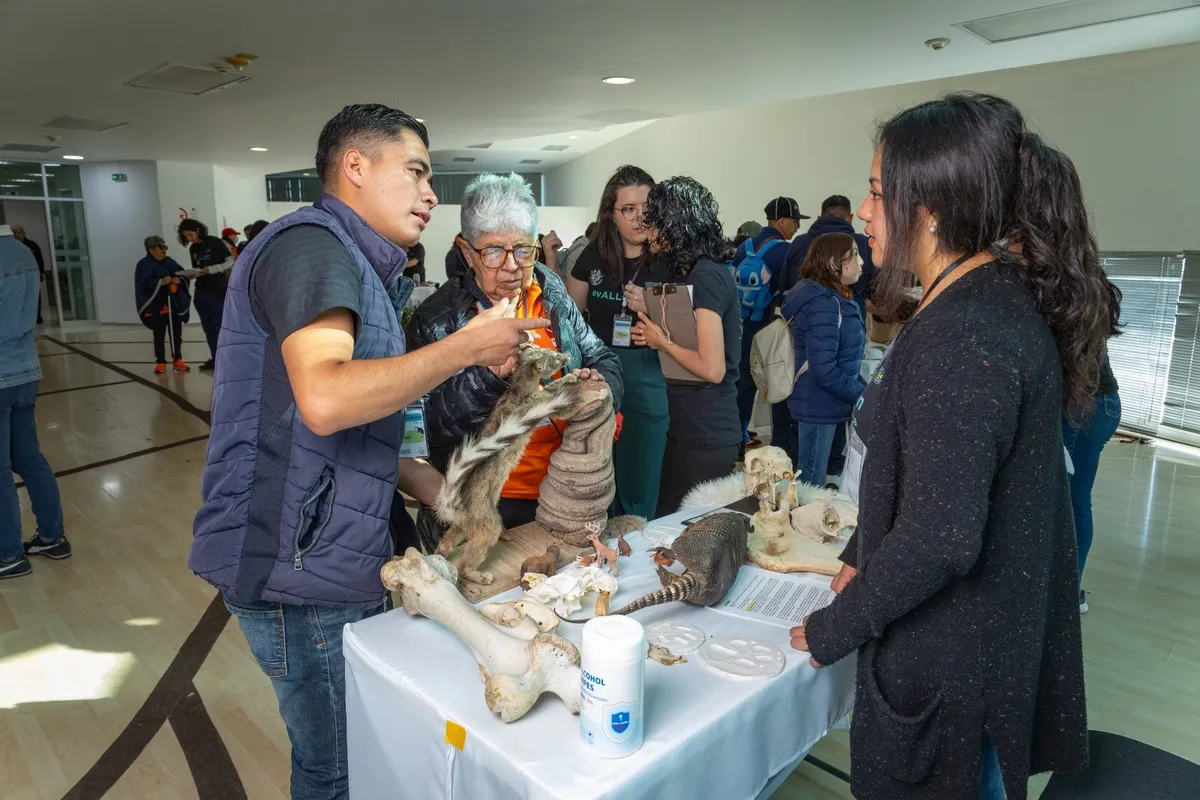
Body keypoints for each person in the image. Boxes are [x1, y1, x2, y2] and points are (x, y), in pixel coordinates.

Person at [189, 104, 546, 800]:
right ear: (354, 166)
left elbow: (351, 425)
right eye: (415, 171)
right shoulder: (312, 248)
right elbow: (325, 397)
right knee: (340, 768)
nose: (431, 194)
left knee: (366, 751)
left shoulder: (358, 265)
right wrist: (465, 348)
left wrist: (440, 490)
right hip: (300, 570)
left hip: (329, 553)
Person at [789, 92, 1120, 799]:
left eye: (878, 192)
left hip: (954, 666)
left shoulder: (967, 336)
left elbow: (942, 536)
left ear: (930, 207)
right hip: (974, 650)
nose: (866, 212)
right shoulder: (982, 302)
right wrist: (858, 554)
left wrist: (832, 629)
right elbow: (934, 480)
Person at [408, 173, 622, 529]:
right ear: (466, 250)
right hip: (487, 501)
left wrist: (599, 387)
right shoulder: (437, 319)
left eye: (523, 249)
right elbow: (424, 432)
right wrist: (488, 376)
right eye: (493, 251)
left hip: (566, 486)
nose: (512, 266)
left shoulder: (548, 286)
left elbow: (601, 355)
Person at [630, 177, 740, 517]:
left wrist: (660, 341)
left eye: (655, 226)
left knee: (693, 533)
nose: (649, 235)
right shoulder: (693, 271)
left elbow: (712, 367)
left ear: (677, 225)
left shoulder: (706, 277)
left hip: (705, 431)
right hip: (688, 425)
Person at [567, 165, 670, 519]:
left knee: (643, 467)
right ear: (612, 214)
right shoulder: (592, 258)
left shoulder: (668, 262)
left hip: (651, 373)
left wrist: (654, 305)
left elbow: (689, 328)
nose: (639, 217)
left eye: (647, 208)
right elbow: (571, 320)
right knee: (599, 464)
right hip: (601, 373)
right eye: (628, 209)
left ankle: (640, 538)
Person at [0, 224, 70, 580]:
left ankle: (8, 555)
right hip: (26, 370)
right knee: (29, 458)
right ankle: (51, 538)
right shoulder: (22, 251)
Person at [781, 233, 865, 486]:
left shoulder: (829, 298)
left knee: (817, 475)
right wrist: (861, 394)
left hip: (827, 402)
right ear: (832, 263)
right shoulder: (823, 303)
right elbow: (823, 369)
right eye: (854, 255)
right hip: (819, 405)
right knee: (810, 482)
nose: (861, 262)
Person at [730, 197, 809, 460]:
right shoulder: (786, 251)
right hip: (774, 328)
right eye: (795, 221)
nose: (797, 227)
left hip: (746, 326)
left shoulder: (743, 248)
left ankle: (737, 442)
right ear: (781, 220)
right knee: (778, 384)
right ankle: (779, 445)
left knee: (744, 385)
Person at [1063, 351, 1121, 612]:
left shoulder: (1064, 310)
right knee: (1076, 500)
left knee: (1068, 501)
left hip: (1084, 403)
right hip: (1101, 403)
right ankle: (1068, 590)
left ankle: (1066, 592)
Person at [786, 194, 876, 318]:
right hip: (851, 322)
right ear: (850, 218)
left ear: (819, 217)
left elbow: (785, 284)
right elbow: (876, 290)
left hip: (803, 322)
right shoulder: (863, 243)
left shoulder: (799, 242)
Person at [177, 218, 234, 371]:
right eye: (186, 237)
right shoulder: (193, 249)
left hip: (217, 290)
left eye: (190, 235)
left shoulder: (214, 242)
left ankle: (228, 359)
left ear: (197, 230)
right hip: (201, 290)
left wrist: (213, 269)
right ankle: (215, 357)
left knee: (221, 325)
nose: (189, 239)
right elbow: (199, 268)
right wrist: (194, 274)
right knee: (208, 328)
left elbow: (230, 261)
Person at [134, 236, 191, 373]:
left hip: (173, 303)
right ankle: (160, 361)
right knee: (159, 334)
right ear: (151, 249)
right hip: (156, 305)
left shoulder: (169, 262)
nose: (164, 250)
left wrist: (179, 280)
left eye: (165, 246)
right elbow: (143, 284)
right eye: (161, 247)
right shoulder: (143, 265)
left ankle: (178, 359)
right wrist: (160, 282)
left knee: (176, 333)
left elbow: (181, 274)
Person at [11, 225, 45, 324]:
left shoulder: (32, 245)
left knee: (35, 296)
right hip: (17, 277)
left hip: (32, 276)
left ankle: (37, 316)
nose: (17, 235)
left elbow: (39, 259)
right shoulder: (11, 247)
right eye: (15, 233)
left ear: (24, 233)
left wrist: (41, 272)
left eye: (19, 233)